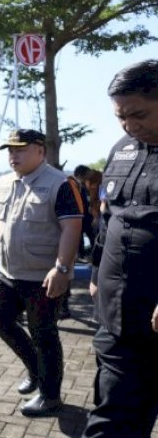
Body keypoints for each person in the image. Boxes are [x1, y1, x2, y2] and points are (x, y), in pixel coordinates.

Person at [0, 129, 83, 416]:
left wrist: (61, 268)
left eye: (20, 149)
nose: (13, 155)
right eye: (10, 150)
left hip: (43, 276)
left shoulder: (61, 183)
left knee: (44, 334)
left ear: (40, 150)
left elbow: (72, 228)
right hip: (9, 272)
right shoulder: (3, 182)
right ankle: (36, 369)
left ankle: (50, 397)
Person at [82, 59, 158, 438]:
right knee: (111, 423)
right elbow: (107, 219)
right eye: (121, 117)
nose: (130, 125)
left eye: (139, 114)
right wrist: (96, 275)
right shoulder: (122, 150)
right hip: (121, 320)